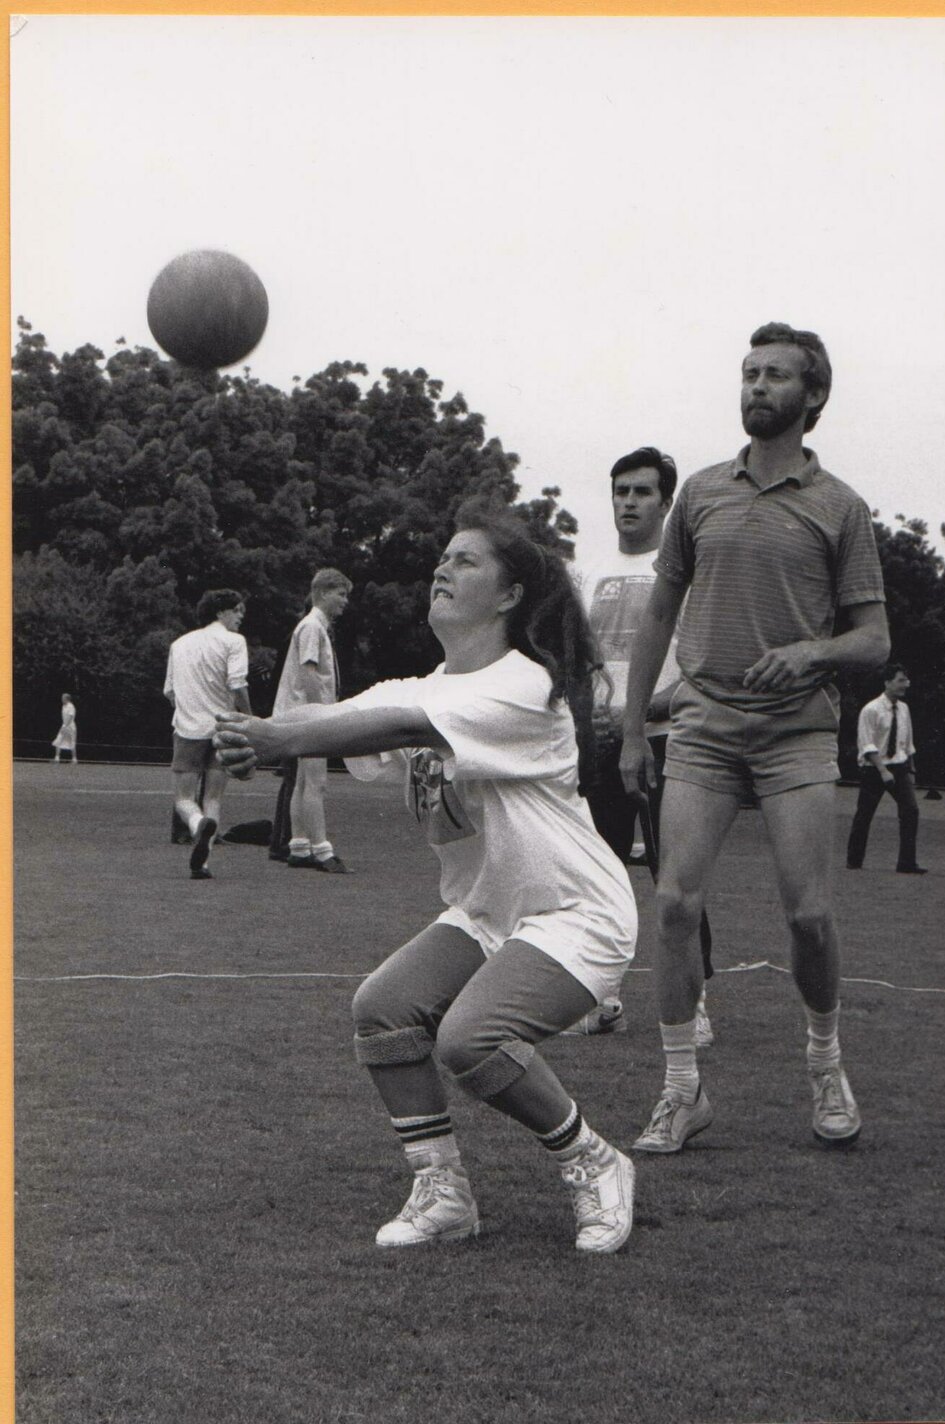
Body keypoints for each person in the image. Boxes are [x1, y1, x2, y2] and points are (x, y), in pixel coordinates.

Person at [216, 511, 638, 1254]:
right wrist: (263, 735)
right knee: (383, 1008)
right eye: (442, 558)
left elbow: (399, 727)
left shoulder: (523, 686)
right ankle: (444, 1194)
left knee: (471, 1039)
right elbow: (353, 714)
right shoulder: (429, 684)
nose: (442, 570)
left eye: (465, 562)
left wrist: (281, 738)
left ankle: (593, 1161)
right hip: (487, 912)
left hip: (576, 912)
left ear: (509, 595)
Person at [620, 321, 889, 1155]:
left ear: (812, 396)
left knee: (807, 916)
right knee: (671, 904)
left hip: (795, 735)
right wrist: (633, 728)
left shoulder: (840, 507)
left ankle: (823, 1065)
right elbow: (658, 614)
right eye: (747, 373)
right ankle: (679, 1091)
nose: (755, 387)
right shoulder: (698, 493)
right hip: (701, 725)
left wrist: (812, 650)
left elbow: (873, 641)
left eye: (774, 375)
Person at [572, 446, 714, 1045]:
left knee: (673, 875)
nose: (628, 502)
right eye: (620, 491)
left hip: (667, 739)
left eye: (641, 492)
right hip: (601, 746)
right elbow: (577, 658)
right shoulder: (587, 569)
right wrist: (587, 721)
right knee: (595, 875)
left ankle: (695, 1001)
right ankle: (601, 996)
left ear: (666, 501)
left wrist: (644, 710)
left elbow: (702, 660)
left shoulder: (687, 569)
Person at [164, 589, 251, 881]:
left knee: (184, 799)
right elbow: (238, 685)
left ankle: (197, 824)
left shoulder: (179, 644)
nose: (241, 617)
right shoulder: (234, 642)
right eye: (237, 611)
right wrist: (250, 719)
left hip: (188, 731)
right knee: (213, 798)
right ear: (220, 612)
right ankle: (202, 864)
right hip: (222, 729)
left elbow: (170, 692)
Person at [271, 567, 353, 874]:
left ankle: (299, 845)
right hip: (308, 715)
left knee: (304, 781)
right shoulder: (311, 627)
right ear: (322, 593)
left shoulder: (314, 627)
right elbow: (308, 674)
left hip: (300, 715)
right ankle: (322, 850)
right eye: (341, 594)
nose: (344, 602)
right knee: (316, 782)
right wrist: (323, 715)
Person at [846, 664, 926, 874]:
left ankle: (907, 863)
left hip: (899, 767)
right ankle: (854, 861)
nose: (905, 685)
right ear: (887, 682)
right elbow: (867, 744)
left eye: (906, 681)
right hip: (874, 768)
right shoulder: (871, 710)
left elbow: (907, 742)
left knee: (911, 811)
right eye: (901, 680)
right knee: (865, 814)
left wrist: (910, 770)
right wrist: (882, 771)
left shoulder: (904, 709)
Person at [51, 693, 78, 764]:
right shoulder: (64, 706)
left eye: (63, 698)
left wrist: (66, 726)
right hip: (65, 725)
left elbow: (71, 716)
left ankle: (74, 759)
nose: (61, 699)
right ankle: (57, 758)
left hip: (70, 726)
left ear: (67, 699)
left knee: (72, 741)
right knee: (59, 739)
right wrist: (64, 726)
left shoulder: (71, 706)